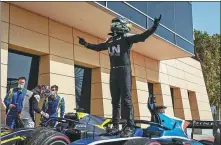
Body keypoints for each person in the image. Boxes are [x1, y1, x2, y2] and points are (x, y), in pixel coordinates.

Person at [78, 15, 161, 137]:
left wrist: (154, 27)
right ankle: (116, 126)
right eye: (126, 25)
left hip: (124, 71)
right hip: (114, 72)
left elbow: (142, 37)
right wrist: (85, 44)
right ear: (119, 26)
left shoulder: (126, 38)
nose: (128, 27)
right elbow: (98, 47)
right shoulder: (110, 40)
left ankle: (129, 127)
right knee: (115, 101)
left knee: (126, 100)